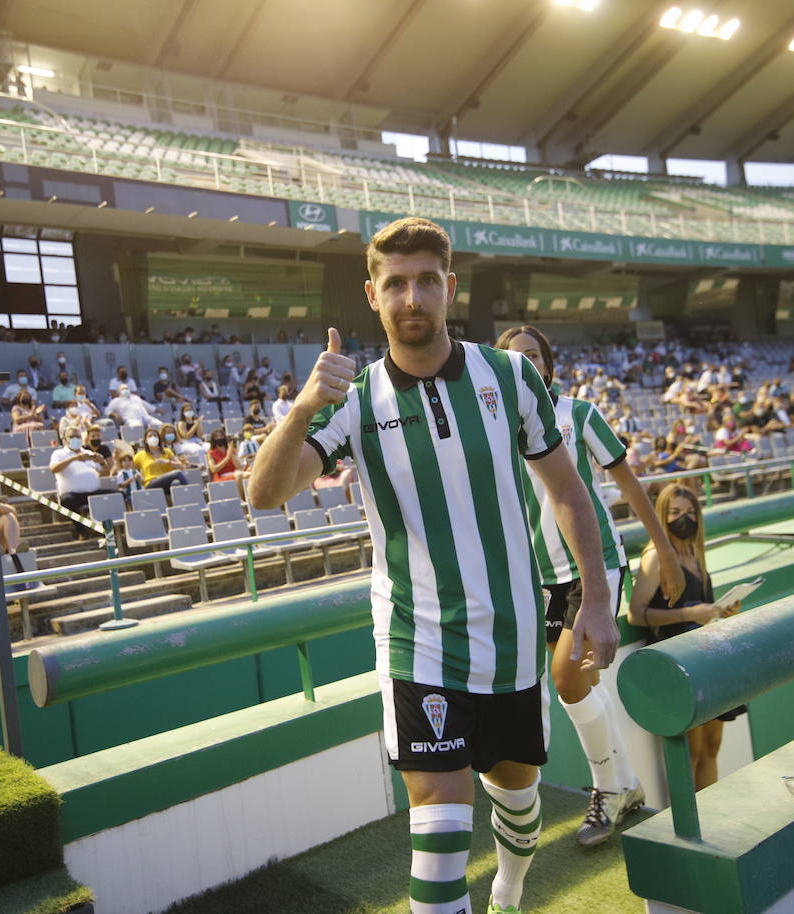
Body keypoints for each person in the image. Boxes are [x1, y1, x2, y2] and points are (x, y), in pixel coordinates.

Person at [247, 217, 615, 914]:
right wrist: (301, 406)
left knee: (520, 804)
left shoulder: (509, 377)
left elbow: (568, 490)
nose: (411, 297)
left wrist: (594, 599)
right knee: (441, 830)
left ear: (449, 288)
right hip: (420, 645)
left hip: (513, 642)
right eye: (395, 284)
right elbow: (263, 493)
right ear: (372, 295)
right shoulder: (352, 403)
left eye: (424, 282)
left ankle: (508, 891)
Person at [496, 325, 685, 846]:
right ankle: (625, 785)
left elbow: (630, 487)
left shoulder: (579, 415)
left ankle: (608, 789)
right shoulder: (497, 432)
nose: (527, 364)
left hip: (593, 566)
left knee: (568, 679)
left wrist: (665, 552)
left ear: (549, 364)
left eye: (534, 355)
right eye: (515, 359)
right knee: (583, 686)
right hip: (539, 576)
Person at [627, 484, 741, 790]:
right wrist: (688, 615)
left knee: (711, 747)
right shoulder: (656, 557)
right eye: (675, 512)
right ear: (662, 515)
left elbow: (699, 606)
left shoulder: (693, 551)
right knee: (689, 751)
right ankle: (692, 825)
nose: (684, 519)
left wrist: (720, 610)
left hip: (707, 657)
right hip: (679, 662)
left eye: (690, 513)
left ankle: (711, 812)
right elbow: (635, 613)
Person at [49, 426, 106, 526]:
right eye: (72, 437)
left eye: (78, 436)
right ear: (65, 439)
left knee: (119, 495)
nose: (75, 439)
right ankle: (81, 531)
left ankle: (108, 528)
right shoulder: (59, 454)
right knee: (66, 501)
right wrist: (75, 458)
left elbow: (105, 473)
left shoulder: (88, 453)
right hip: (74, 495)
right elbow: (53, 469)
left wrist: (102, 463)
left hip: (94, 492)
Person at [133, 428, 190, 495]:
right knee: (177, 474)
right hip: (151, 483)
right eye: (150, 436)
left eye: (155, 436)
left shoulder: (167, 451)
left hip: (167, 482)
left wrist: (167, 462)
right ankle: (192, 494)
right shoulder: (140, 455)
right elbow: (130, 468)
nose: (153, 437)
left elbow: (181, 466)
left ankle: (184, 502)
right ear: (145, 440)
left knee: (176, 483)